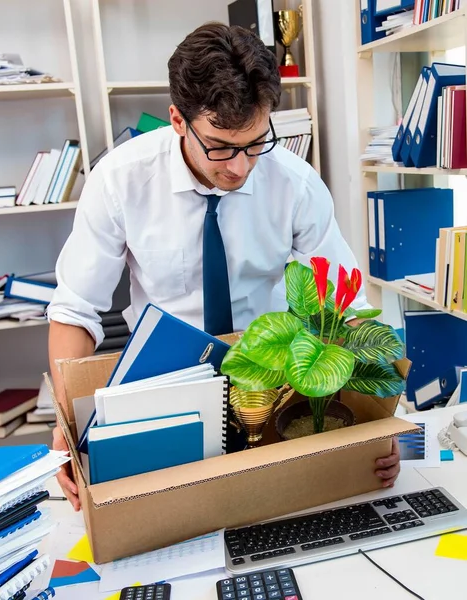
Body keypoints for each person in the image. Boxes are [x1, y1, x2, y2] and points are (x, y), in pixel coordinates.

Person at [47, 22, 401, 510]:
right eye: (219, 145)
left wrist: (374, 421)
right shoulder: (119, 181)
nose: (239, 167)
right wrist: (67, 423)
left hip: (278, 385)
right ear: (177, 120)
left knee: (299, 519)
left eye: (255, 142)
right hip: (168, 390)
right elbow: (75, 310)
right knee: (175, 525)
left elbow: (347, 307)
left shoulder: (294, 183)